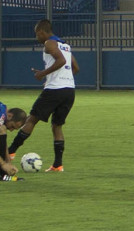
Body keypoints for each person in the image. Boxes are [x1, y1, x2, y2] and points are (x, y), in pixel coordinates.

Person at [6, 19, 79, 172]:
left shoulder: (49, 43)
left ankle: (10, 151)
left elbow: (60, 61)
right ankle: (58, 165)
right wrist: (57, 78)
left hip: (55, 90)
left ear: (41, 32)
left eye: (36, 34)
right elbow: (75, 68)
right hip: (69, 90)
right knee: (56, 126)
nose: (36, 38)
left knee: (31, 119)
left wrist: (43, 74)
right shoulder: (65, 45)